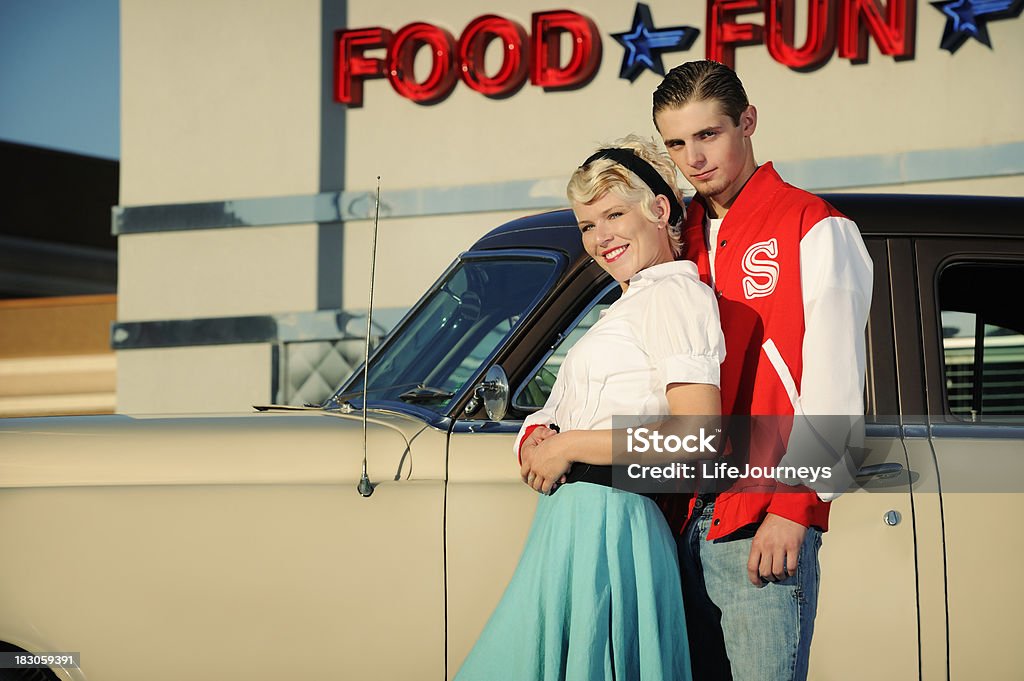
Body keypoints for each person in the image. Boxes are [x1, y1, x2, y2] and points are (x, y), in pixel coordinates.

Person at [454, 135, 725, 681]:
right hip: (572, 522)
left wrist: (570, 445)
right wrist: (537, 435)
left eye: (613, 215)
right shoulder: (627, 305)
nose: (600, 238)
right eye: (587, 225)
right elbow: (559, 412)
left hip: (611, 521)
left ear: (659, 208)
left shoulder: (675, 295)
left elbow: (697, 435)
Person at [651, 60, 873, 681]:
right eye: (676, 143)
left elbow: (834, 383)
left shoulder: (814, 226)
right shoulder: (675, 237)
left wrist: (794, 508)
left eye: (708, 135)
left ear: (747, 122)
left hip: (760, 520)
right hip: (677, 519)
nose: (693, 158)